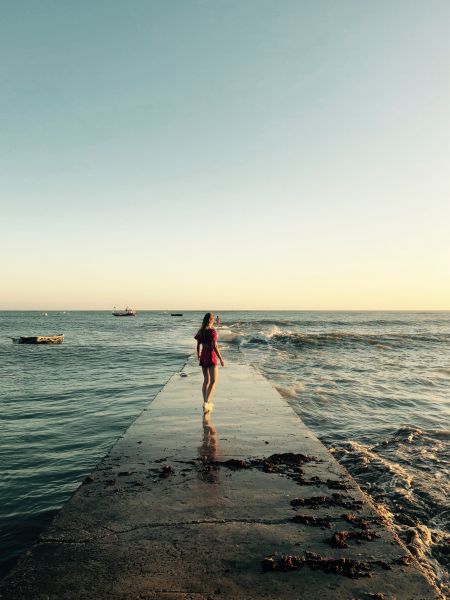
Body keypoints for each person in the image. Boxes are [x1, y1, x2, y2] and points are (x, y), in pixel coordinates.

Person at [194, 312, 225, 412]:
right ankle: (207, 402)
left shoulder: (200, 331)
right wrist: (221, 358)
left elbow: (198, 345)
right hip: (211, 356)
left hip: (203, 355)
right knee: (214, 381)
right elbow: (215, 346)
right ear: (212, 320)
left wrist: (198, 355)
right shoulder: (212, 332)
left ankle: (205, 401)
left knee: (206, 380)